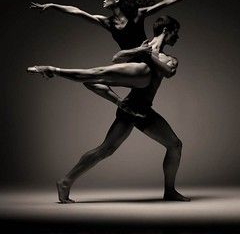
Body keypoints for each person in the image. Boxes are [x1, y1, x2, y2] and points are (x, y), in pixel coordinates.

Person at [28, 15, 189, 203]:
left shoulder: (169, 59)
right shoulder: (142, 50)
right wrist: (139, 52)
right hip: (132, 107)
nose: (177, 37)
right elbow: (117, 58)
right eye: (176, 33)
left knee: (108, 149)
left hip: (143, 109)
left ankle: (65, 181)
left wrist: (148, 55)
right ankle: (65, 181)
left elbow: (168, 72)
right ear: (166, 31)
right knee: (109, 147)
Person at [30, 0, 202, 115]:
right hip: (131, 71)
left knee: (97, 72)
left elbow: (165, 2)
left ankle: (51, 69)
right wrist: (52, 5)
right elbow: (77, 11)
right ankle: (121, 104)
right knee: (89, 81)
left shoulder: (137, 15)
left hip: (145, 69)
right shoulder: (107, 22)